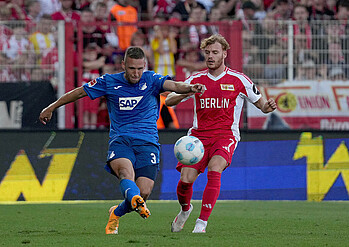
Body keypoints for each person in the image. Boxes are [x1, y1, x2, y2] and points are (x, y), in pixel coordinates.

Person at [38, 46, 204, 234]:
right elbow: (79, 92)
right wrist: (52, 107)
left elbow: (174, 86)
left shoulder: (152, 79)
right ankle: (133, 203)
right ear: (124, 65)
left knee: (144, 191)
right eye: (132, 68)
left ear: (145, 66)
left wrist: (190, 87)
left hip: (148, 143)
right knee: (126, 174)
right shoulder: (109, 82)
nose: (136, 73)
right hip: (121, 140)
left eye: (140, 68)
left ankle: (116, 212)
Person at [165, 34, 276, 233]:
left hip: (225, 136)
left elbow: (262, 106)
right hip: (198, 138)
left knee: (215, 168)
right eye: (207, 52)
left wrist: (268, 106)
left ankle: (201, 224)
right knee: (186, 180)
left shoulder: (239, 80)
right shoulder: (196, 79)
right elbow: (169, 101)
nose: (210, 56)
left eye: (215, 52)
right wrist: (189, 90)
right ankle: (185, 210)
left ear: (224, 54)